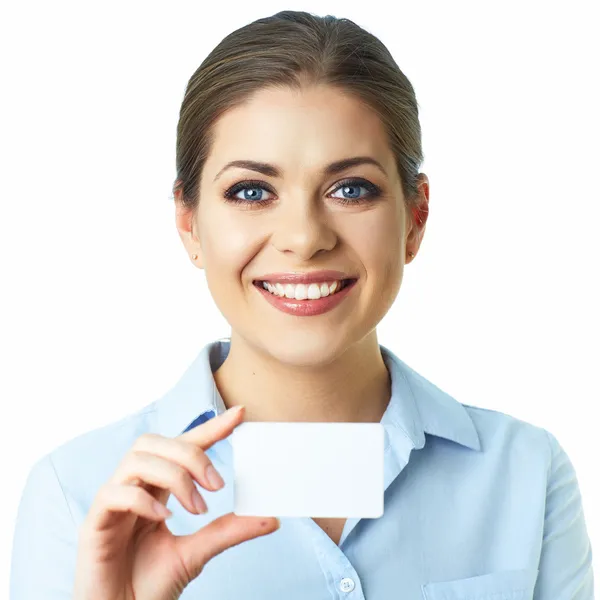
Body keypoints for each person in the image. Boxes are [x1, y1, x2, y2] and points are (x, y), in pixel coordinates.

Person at [9, 9, 594, 600]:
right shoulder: (78, 494)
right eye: (252, 191)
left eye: (351, 189)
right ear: (189, 225)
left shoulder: (525, 473)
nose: (305, 236)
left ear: (415, 219)